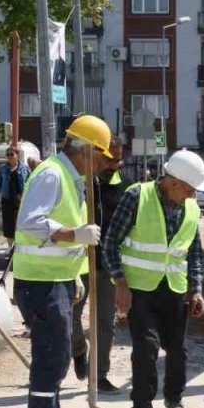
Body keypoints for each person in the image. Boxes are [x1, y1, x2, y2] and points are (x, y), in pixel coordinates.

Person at [12, 115, 113, 408]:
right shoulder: (53, 174)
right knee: (51, 358)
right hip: (40, 282)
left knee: (58, 354)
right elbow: (30, 222)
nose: (99, 166)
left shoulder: (70, 178)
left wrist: (75, 279)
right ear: (83, 149)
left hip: (57, 280)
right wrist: (75, 235)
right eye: (98, 157)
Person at [102, 148, 204, 408]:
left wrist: (196, 289)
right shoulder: (137, 196)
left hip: (175, 288)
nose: (191, 195)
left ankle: (175, 399)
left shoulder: (192, 208)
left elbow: (194, 253)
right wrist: (120, 283)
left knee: (177, 349)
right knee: (146, 348)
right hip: (139, 289)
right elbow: (110, 243)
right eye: (188, 189)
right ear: (173, 182)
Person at [71, 141, 124, 394]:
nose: (114, 166)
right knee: (70, 316)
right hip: (78, 263)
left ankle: (99, 374)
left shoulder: (124, 189)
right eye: (110, 160)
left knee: (105, 322)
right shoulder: (79, 184)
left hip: (109, 266)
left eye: (118, 161)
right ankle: (78, 349)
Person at [0, 146, 30, 243]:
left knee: (20, 223)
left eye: (12, 154)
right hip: (7, 199)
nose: (9, 156)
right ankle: (10, 247)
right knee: (8, 225)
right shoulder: (3, 168)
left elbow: (29, 181)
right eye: (8, 154)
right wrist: (2, 191)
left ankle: (20, 244)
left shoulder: (24, 168)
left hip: (20, 200)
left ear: (17, 155)